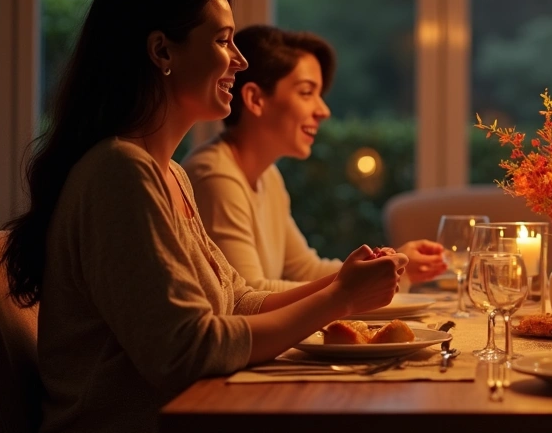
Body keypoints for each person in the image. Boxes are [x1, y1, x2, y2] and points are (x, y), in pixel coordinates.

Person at [1, 0, 407, 433]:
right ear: (161, 51)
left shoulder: (168, 174)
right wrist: (340, 299)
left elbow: (238, 301)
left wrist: (344, 282)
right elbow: (187, 353)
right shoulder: (118, 173)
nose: (240, 60)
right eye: (223, 40)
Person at [183, 25, 446, 291]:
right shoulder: (216, 176)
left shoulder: (267, 176)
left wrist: (390, 268)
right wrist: (361, 283)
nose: (323, 110)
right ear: (255, 99)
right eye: (307, 92)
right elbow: (248, 297)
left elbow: (306, 270)